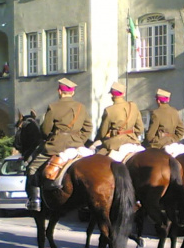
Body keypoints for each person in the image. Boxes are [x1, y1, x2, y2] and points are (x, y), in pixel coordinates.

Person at [25, 78, 93, 211]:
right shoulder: (81, 107)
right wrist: (79, 140)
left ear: (59, 91)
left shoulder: (53, 106)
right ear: (72, 93)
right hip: (77, 144)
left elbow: (45, 130)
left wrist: (51, 138)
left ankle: (35, 200)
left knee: (32, 168)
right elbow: (88, 127)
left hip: (56, 145)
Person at [94, 82, 144, 157]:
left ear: (112, 95)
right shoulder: (133, 106)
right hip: (133, 140)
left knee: (98, 159)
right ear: (123, 94)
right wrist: (131, 135)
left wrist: (98, 140)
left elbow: (102, 133)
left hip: (115, 143)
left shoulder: (109, 110)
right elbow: (140, 128)